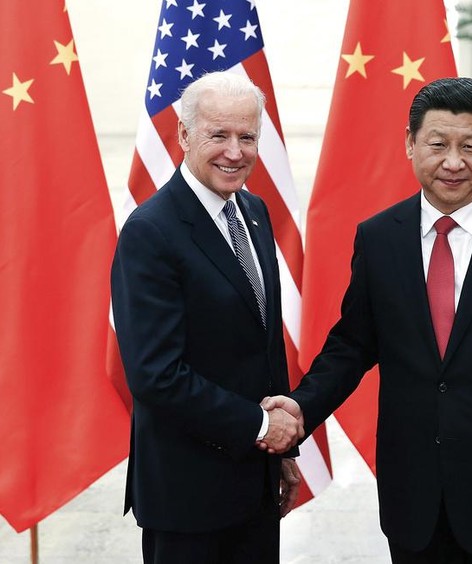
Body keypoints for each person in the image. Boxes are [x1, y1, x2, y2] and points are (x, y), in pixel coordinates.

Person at [266, 77, 472, 563]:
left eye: (470, 146)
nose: (453, 162)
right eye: (437, 144)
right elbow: (354, 345)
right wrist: (301, 408)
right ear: (410, 144)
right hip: (413, 494)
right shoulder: (380, 238)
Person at [111, 71, 303, 564]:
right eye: (219, 135)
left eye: (247, 136)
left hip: (255, 489)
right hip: (187, 500)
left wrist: (282, 453)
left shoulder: (255, 212)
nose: (235, 152)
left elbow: (264, 341)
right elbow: (156, 375)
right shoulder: (151, 231)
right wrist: (262, 427)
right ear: (183, 135)